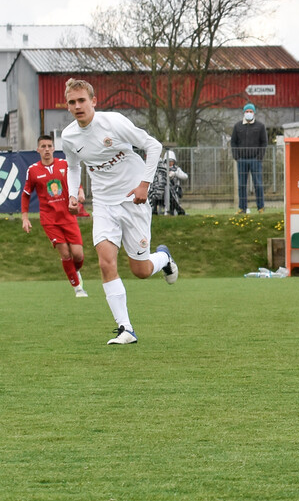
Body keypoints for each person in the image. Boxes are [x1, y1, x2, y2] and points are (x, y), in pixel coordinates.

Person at [59, 78, 179, 345]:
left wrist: (143, 185)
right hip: (103, 203)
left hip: (132, 200)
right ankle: (126, 328)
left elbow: (153, 146)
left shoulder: (113, 123)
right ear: (67, 106)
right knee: (105, 262)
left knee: (141, 270)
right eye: (72, 102)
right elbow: (73, 166)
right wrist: (73, 192)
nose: (77, 106)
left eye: (82, 100)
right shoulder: (68, 136)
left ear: (93, 101)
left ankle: (164, 258)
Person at [21, 134, 89, 297]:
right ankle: (78, 288)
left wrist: (80, 191)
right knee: (65, 253)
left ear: (54, 148)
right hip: (49, 219)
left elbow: (75, 179)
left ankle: (75, 272)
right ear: (38, 150)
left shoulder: (64, 165)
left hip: (68, 216)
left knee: (78, 254)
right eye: (43, 146)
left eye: (49, 146)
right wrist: (25, 218)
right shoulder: (33, 170)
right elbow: (26, 194)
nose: (46, 150)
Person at [231, 102, 267, 214]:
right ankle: (242, 208)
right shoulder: (237, 126)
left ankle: (260, 207)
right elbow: (233, 142)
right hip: (242, 160)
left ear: (254, 113)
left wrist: (259, 157)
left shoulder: (260, 126)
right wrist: (237, 157)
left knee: (258, 184)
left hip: (255, 160)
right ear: (244, 112)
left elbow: (264, 142)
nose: (249, 113)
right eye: (247, 111)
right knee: (242, 185)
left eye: (251, 111)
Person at [150, 149, 188, 216]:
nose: (170, 162)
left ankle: (173, 210)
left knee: (168, 189)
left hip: (173, 190)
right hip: (161, 190)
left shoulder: (176, 169)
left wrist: (175, 174)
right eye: (168, 161)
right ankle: (154, 210)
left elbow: (185, 176)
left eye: (171, 161)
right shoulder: (162, 168)